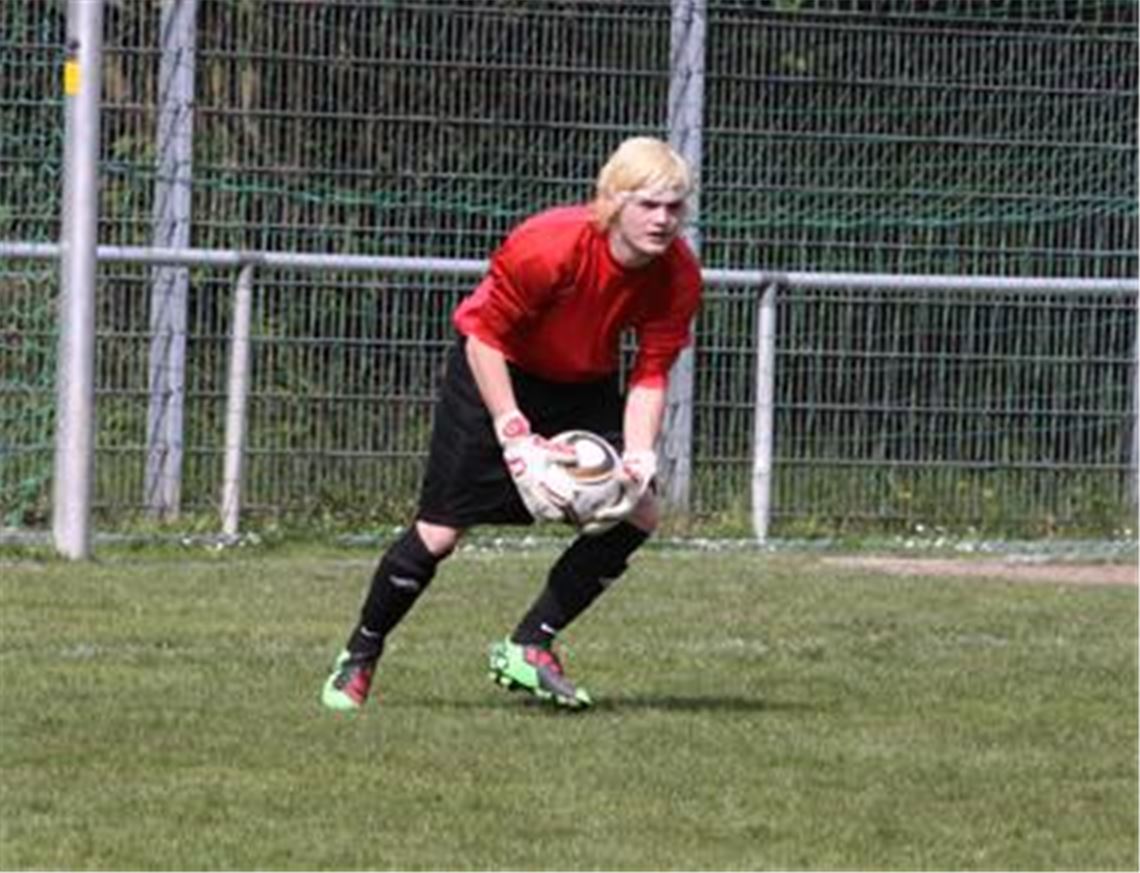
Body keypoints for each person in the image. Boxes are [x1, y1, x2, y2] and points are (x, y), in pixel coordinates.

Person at [320, 136, 702, 711]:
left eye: (674, 207)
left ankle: (530, 646)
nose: (663, 220)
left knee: (640, 509)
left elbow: (650, 373)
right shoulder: (550, 244)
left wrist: (642, 452)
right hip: (496, 373)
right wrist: (514, 433)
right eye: (648, 204)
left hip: (582, 383)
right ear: (612, 201)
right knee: (440, 534)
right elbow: (483, 337)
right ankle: (360, 655)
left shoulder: (677, 275)